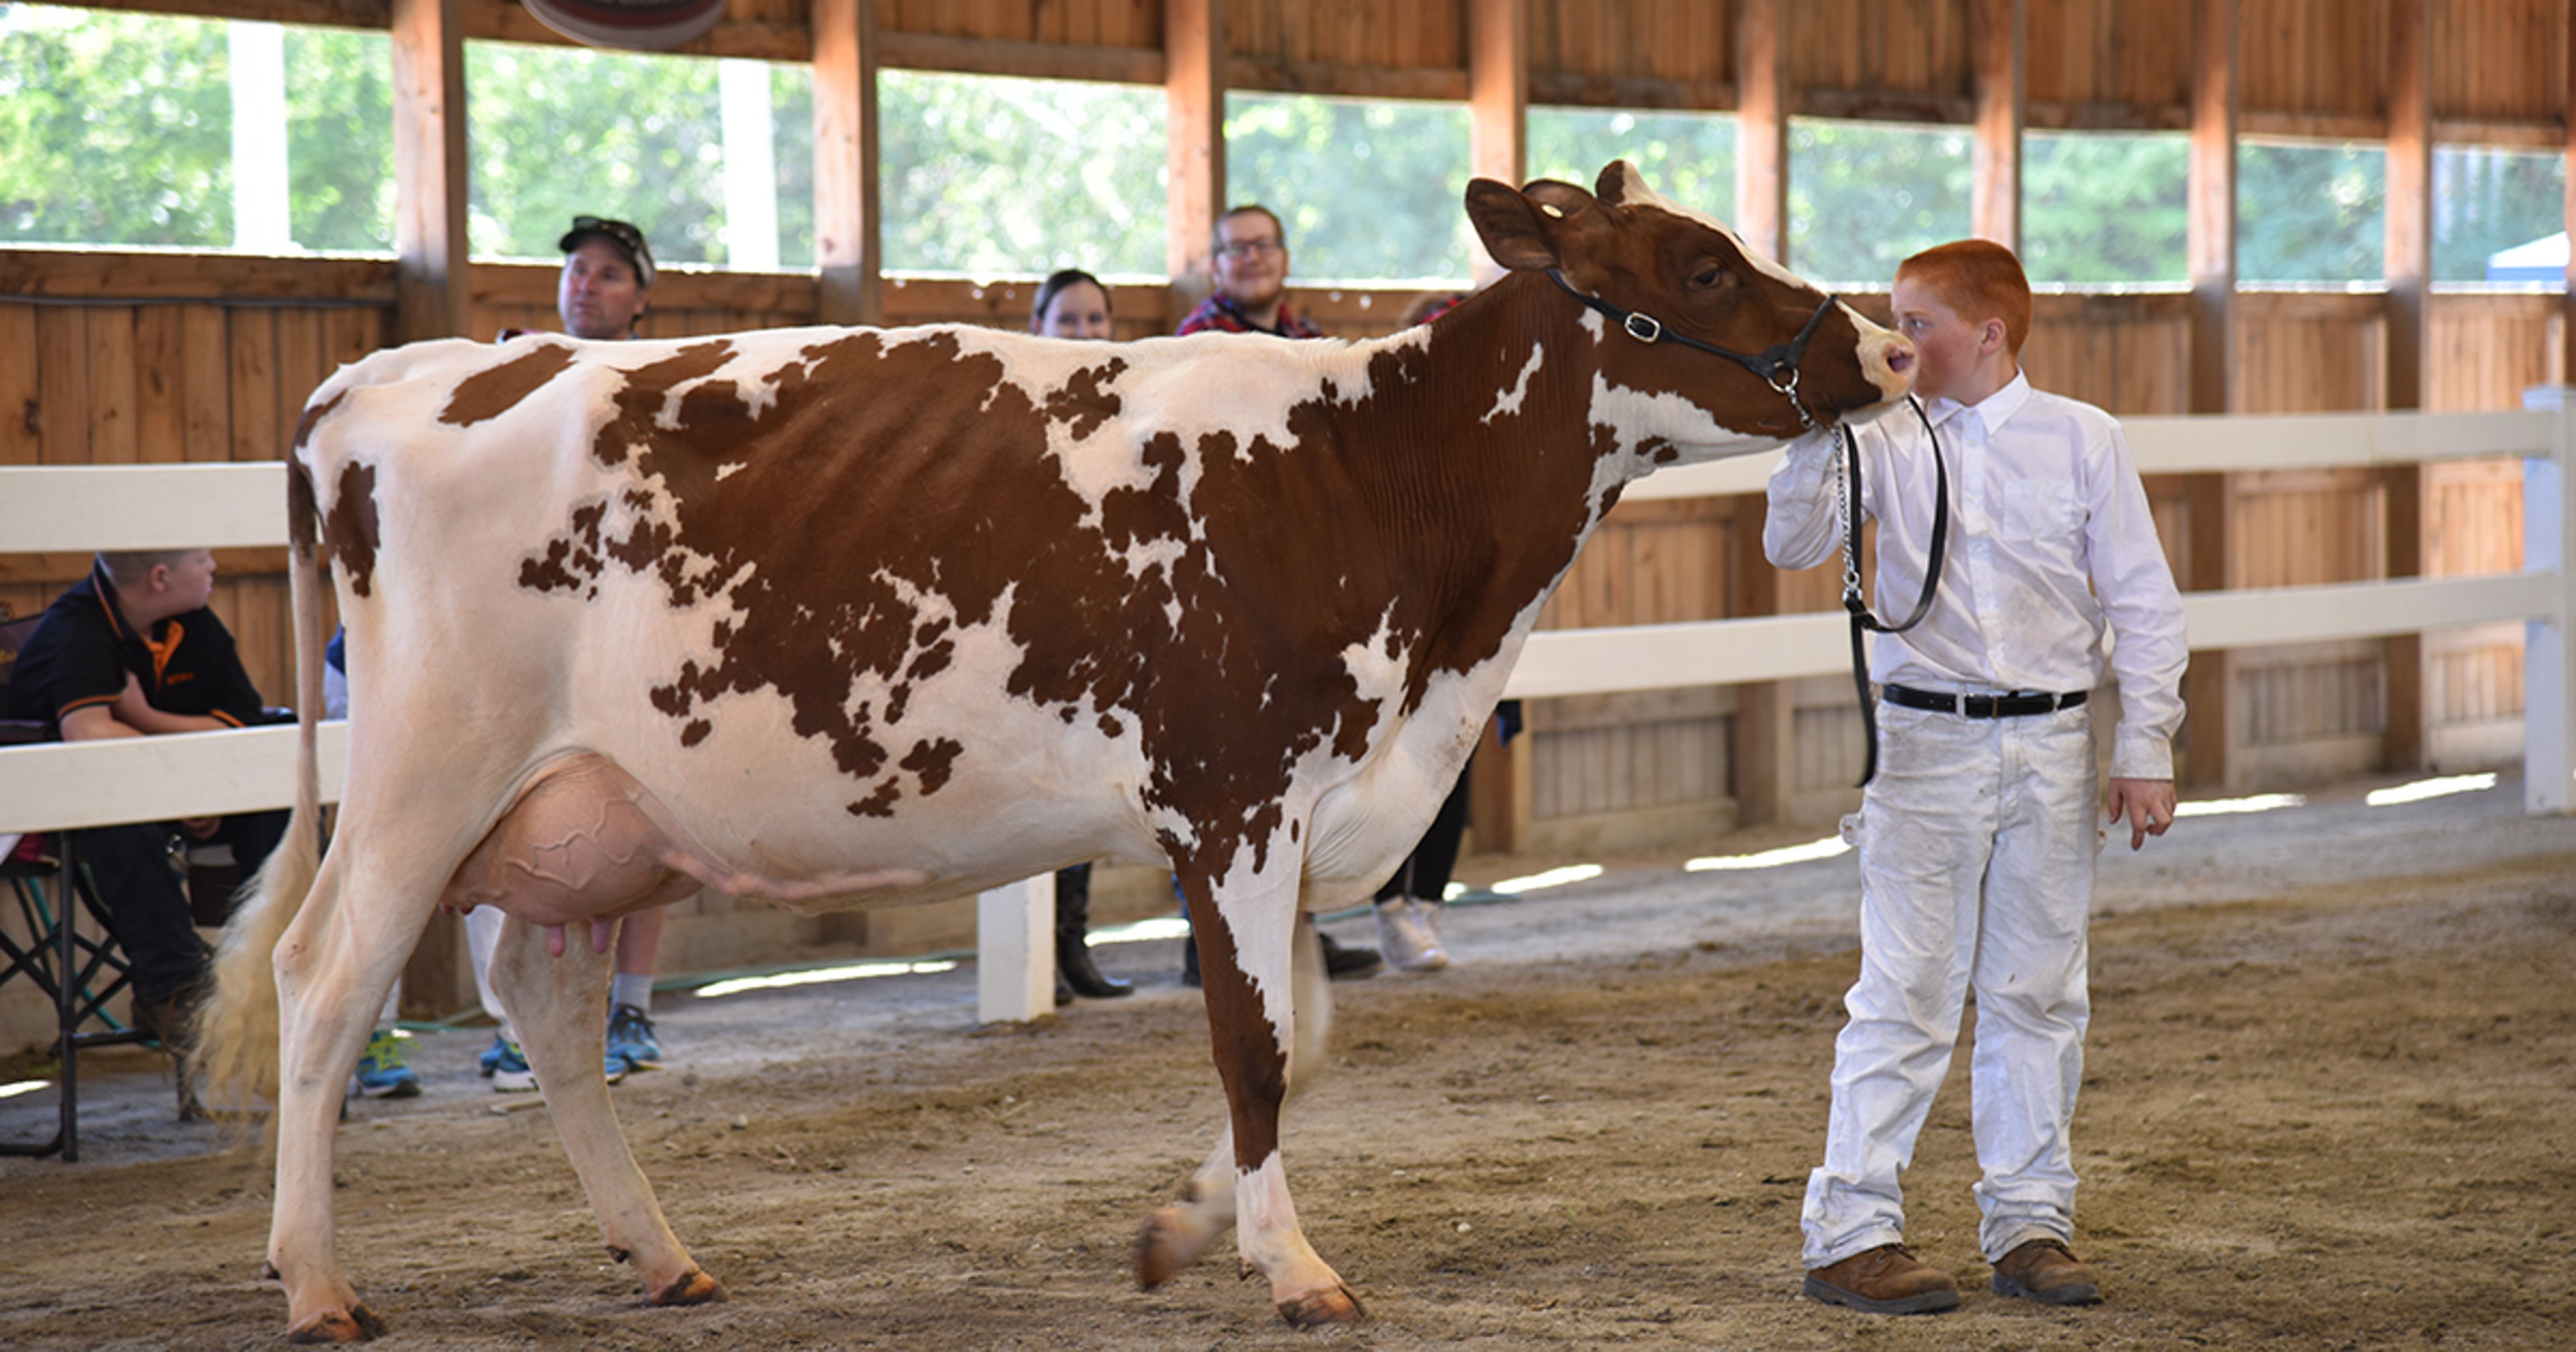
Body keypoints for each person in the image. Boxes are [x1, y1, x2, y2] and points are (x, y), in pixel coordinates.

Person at [1762, 239, 2187, 1314]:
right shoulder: (1880, 435)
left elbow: (2141, 598)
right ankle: (1851, 1231)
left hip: (2052, 743)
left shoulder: (2083, 438)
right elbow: (1790, 543)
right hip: (1924, 746)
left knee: (2039, 993)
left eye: (1919, 322)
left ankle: (2031, 1223)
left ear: (1989, 332)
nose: (1896, 340)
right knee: (1904, 991)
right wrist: (1825, 428)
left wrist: (2146, 745)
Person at [470, 215, 668, 1088]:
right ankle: (512, 1020)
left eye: (609, 274)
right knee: (494, 811)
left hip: (626, 620)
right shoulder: (509, 372)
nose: (585, 284)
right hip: (525, 621)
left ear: (640, 299)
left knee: (655, 808)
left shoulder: (665, 381)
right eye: (577, 271)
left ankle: (631, 1008)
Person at [1171, 207, 1379, 982]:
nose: (1252, 259)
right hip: (1220, 578)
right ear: (1217, 264)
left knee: (1294, 764)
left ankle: (1290, 941)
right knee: (1210, 759)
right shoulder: (1196, 345)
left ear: (1284, 256)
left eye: (1263, 245)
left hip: (1299, 576)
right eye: (1237, 249)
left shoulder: (1310, 344)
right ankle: (1210, 942)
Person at [5, 550, 290, 1053]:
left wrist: (145, 720)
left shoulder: (193, 618)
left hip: (178, 792)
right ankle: (173, 990)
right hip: (64, 812)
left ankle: (274, 956)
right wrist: (178, 789)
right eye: (202, 558)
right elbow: (90, 735)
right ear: (160, 578)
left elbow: (244, 722)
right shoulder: (77, 628)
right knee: (117, 810)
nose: (214, 567)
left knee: (275, 768)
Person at [1026, 268, 1134, 1005]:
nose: (1086, 333)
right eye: (1069, 320)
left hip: (1098, 623)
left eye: (1096, 320)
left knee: (1082, 790)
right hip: (1028, 627)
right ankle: (1031, 957)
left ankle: (1072, 943)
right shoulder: (1016, 414)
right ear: (1039, 326)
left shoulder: (1126, 416)